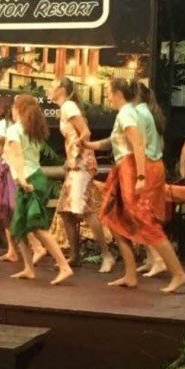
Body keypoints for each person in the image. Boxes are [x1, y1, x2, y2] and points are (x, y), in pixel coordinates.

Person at [83, 78, 185, 293]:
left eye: (109, 93)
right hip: (124, 168)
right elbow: (115, 142)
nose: (107, 97)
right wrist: (87, 144)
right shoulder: (127, 113)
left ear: (118, 93)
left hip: (132, 168)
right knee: (115, 218)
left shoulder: (128, 113)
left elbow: (138, 145)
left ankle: (178, 272)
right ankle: (130, 274)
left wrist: (140, 177)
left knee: (143, 220)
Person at [5, 93, 74, 285]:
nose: (11, 109)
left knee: (37, 227)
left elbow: (17, 158)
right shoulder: (32, 130)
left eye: (13, 106)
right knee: (19, 226)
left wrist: (21, 180)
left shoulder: (15, 130)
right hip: (36, 177)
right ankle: (28, 268)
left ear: (18, 110)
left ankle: (64, 266)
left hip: (28, 180)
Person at [49, 77, 114, 273]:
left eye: (52, 86)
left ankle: (107, 254)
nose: (49, 89)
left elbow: (85, 133)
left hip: (81, 163)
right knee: (66, 210)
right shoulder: (67, 108)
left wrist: (74, 156)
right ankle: (75, 255)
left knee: (85, 209)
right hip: (76, 163)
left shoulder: (69, 106)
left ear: (61, 89)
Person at [0, 94, 46, 265]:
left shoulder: (6, 126)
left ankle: (36, 246)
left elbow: (2, 148)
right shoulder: (20, 126)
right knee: (7, 211)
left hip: (10, 171)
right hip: (14, 170)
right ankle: (13, 250)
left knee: (13, 210)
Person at [133, 81, 168, 278]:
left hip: (147, 166)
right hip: (154, 164)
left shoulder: (138, 113)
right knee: (144, 214)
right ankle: (150, 257)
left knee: (144, 215)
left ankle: (159, 259)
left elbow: (138, 144)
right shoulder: (148, 112)